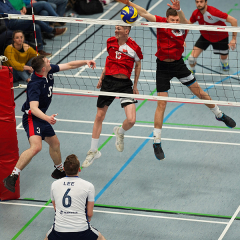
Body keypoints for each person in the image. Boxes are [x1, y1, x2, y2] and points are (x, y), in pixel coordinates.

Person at [118, 0, 236, 160]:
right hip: (163, 68)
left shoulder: (183, 28)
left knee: (200, 92)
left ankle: (219, 114)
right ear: (167, 20)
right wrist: (129, 3)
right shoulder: (161, 23)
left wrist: (179, 10)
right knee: (162, 103)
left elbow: (185, 21)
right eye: (172, 20)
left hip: (178, 65)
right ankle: (157, 142)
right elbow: (144, 13)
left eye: (176, 20)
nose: (175, 22)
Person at [3, 55, 96, 193]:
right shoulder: (34, 84)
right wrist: (47, 118)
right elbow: (33, 108)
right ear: (43, 68)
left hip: (42, 117)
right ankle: (12, 176)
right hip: (32, 117)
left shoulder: (48, 70)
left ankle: (59, 171)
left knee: (55, 144)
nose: (50, 62)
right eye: (47, 61)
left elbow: (69, 65)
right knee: (36, 147)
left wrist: (85, 61)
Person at [82, 25, 143, 168]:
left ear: (126, 31)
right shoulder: (110, 42)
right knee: (99, 117)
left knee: (132, 120)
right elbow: (109, 60)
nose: (115, 31)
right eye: (115, 28)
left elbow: (138, 65)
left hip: (124, 84)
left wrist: (135, 85)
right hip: (109, 82)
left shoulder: (134, 47)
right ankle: (93, 151)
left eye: (119, 29)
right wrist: (101, 78)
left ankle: (119, 131)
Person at [44, 154, 106, 240]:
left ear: (64, 169)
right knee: (101, 238)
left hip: (59, 231)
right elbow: (89, 214)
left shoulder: (54, 185)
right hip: (82, 231)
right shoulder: (88, 186)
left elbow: (56, 209)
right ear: (79, 169)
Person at [171, 0, 238, 74]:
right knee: (191, 58)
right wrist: (182, 39)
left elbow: (234, 21)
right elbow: (188, 25)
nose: (199, 4)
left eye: (201, 1)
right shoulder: (195, 13)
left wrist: (233, 39)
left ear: (206, 2)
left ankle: (224, 62)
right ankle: (192, 70)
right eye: (197, 2)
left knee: (223, 58)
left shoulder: (213, 12)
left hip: (221, 38)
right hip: (205, 37)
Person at [0, 0, 67, 56]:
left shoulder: (6, 1)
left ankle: (39, 50)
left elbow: (13, 9)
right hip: (11, 23)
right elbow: (7, 13)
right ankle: (52, 30)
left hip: (18, 18)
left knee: (36, 26)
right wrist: (19, 13)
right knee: (33, 18)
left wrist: (20, 12)